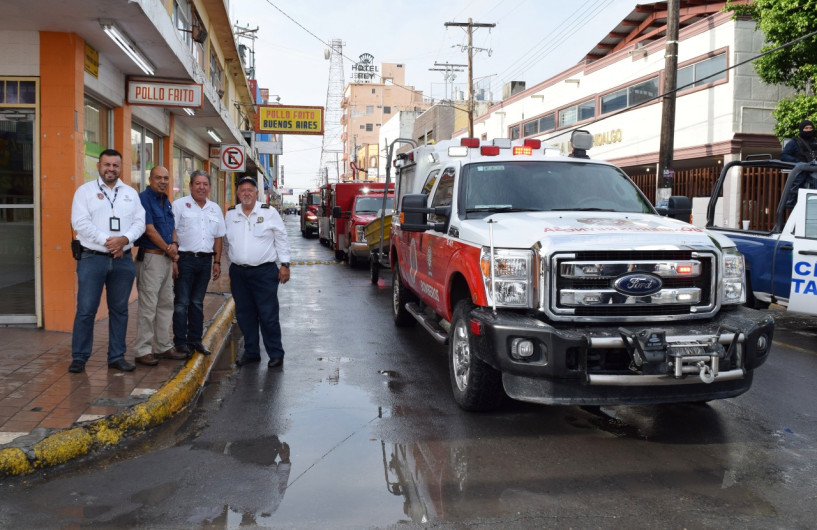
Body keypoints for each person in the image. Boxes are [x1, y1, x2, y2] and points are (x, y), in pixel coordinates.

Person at [69, 149, 146, 373]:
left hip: (122, 261)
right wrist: (110, 242)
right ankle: (80, 357)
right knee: (86, 309)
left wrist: (125, 240)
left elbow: (140, 223)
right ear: (98, 166)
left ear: (120, 168)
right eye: (107, 165)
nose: (111, 169)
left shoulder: (130, 193)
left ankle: (116, 357)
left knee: (120, 310)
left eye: (115, 165)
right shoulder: (84, 192)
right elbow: (80, 223)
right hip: (92, 259)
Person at [225, 176, 291, 368]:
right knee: (245, 315)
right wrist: (231, 265)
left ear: (256, 193)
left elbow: (281, 238)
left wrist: (285, 264)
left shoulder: (269, 212)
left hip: (264, 272)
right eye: (242, 190)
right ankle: (252, 352)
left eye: (250, 190)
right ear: (237, 194)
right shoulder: (230, 214)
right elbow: (228, 242)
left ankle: (276, 353)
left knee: (268, 315)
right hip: (239, 273)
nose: (246, 193)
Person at [132, 166, 186, 366]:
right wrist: (169, 249)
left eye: (166, 178)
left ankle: (163, 346)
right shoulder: (143, 199)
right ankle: (142, 350)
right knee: (148, 307)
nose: (163, 181)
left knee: (166, 304)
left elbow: (171, 228)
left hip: (165, 258)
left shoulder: (167, 202)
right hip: (151, 259)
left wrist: (173, 247)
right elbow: (149, 230)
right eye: (158, 178)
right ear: (150, 179)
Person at [172, 169, 226, 357]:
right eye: (198, 184)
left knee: (197, 302)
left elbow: (218, 236)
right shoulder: (179, 205)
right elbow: (172, 232)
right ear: (191, 186)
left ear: (209, 187)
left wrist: (217, 261)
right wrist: (174, 260)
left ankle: (195, 340)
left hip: (205, 261)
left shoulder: (215, 208)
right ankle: (180, 342)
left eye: (205, 184)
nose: (201, 187)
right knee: (181, 303)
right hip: (184, 259)